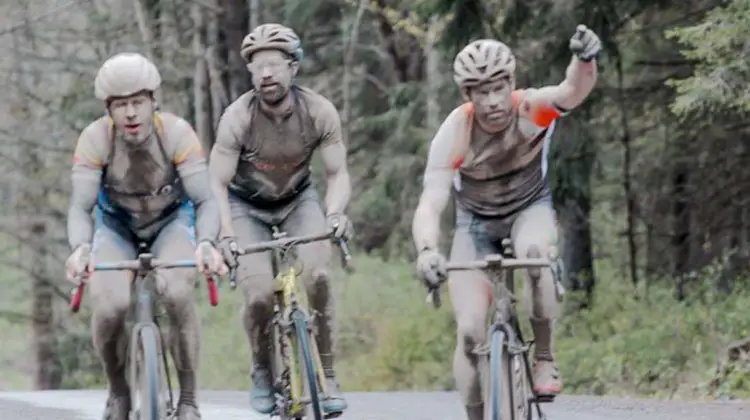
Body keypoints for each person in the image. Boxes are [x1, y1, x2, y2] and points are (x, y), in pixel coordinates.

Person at [411, 25, 602, 420]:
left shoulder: (532, 108)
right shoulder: (455, 132)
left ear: (511, 83)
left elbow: (572, 91)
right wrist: (428, 250)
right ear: (468, 95)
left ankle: (544, 357)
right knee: (469, 332)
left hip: (529, 210)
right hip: (475, 226)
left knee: (536, 256)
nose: (493, 101)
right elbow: (431, 202)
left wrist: (584, 60)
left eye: (499, 88)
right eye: (481, 92)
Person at [65, 52, 225, 420]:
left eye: (138, 102)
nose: (131, 114)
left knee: (178, 291)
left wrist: (206, 242)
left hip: (171, 222)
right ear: (109, 109)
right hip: (116, 226)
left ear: (154, 101)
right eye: (121, 105)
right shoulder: (94, 139)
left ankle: (188, 400)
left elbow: (205, 200)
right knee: (110, 307)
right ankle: (118, 393)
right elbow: (80, 207)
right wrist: (80, 249)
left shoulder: (178, 133)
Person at [208, 23, 352, 417]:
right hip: (245, 207)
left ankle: (327, 371)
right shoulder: (237, 118)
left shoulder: (319, 111)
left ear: (293, 68)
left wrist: (335, 213)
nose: (266, 73)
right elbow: (216, 183)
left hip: (298, 201)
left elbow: (338, 173)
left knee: (318, 277)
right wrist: (224, 234)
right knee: (257, 295)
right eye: (257, 66)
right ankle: (260, 369)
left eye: (274, 64)